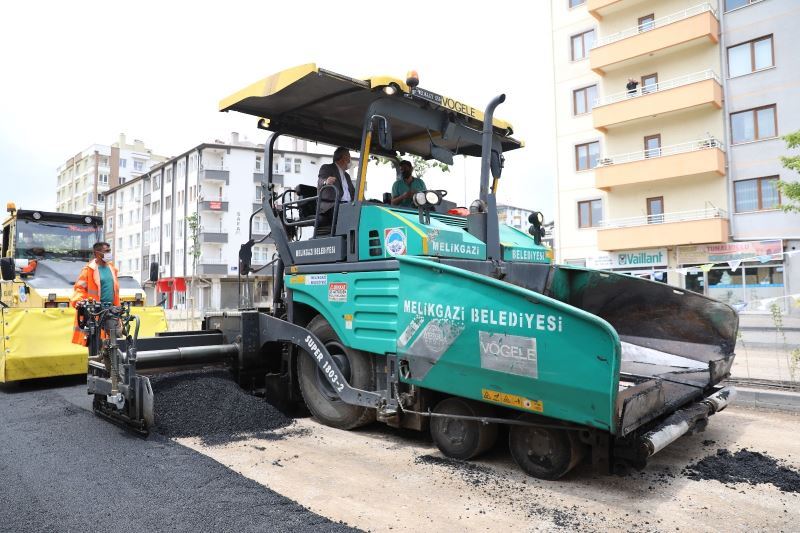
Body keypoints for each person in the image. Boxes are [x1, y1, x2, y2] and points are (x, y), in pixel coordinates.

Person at [70, 242, 120, 346]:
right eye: (106, 251)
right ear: (97, 253)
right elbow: (79, 288)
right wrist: (80, 301)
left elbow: (114, 291)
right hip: (95, 311)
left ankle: (110, 361)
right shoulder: (88, 270)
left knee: (114, 342)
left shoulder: (112, 269)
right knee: (96, 343)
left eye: (109, 251)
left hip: (111, 310)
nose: (109, 253)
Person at [317, 147, 356, 228]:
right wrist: (326, 182)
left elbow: (354, 192)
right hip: (332, 205)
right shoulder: (327, 168)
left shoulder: (347, 176)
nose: (350, 160)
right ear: (343, 158)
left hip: (347, 205)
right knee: (347, 211)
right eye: (349, 156)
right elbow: (320, 181)